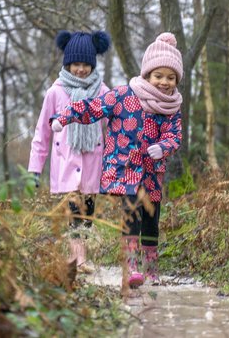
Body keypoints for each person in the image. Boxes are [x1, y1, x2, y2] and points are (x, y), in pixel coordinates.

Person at [50, 32, 184, 288]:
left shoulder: (172, 107)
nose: (164, 82)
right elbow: (93, 108)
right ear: (147, 75)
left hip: (153, 174)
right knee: (131, 217)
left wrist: (164, 147)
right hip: (127, 170)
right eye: (158, 76)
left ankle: (152, 269)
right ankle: (132, 267)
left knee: (151, 223)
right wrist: (63, 118)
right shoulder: (124, 95)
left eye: (170, 77)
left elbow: (175, 135)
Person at [28, 30, 111, 274]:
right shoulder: (56, 92)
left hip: (92, 163)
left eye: (86, 64)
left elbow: (113, 127)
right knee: (74, 213)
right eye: (76, 64)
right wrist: (35, 168)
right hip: (65, 163)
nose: (81, 69)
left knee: (88, 214)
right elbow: (42, 132)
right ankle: (78, 259)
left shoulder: (102, 92)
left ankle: (79, 256)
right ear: (67, 63)